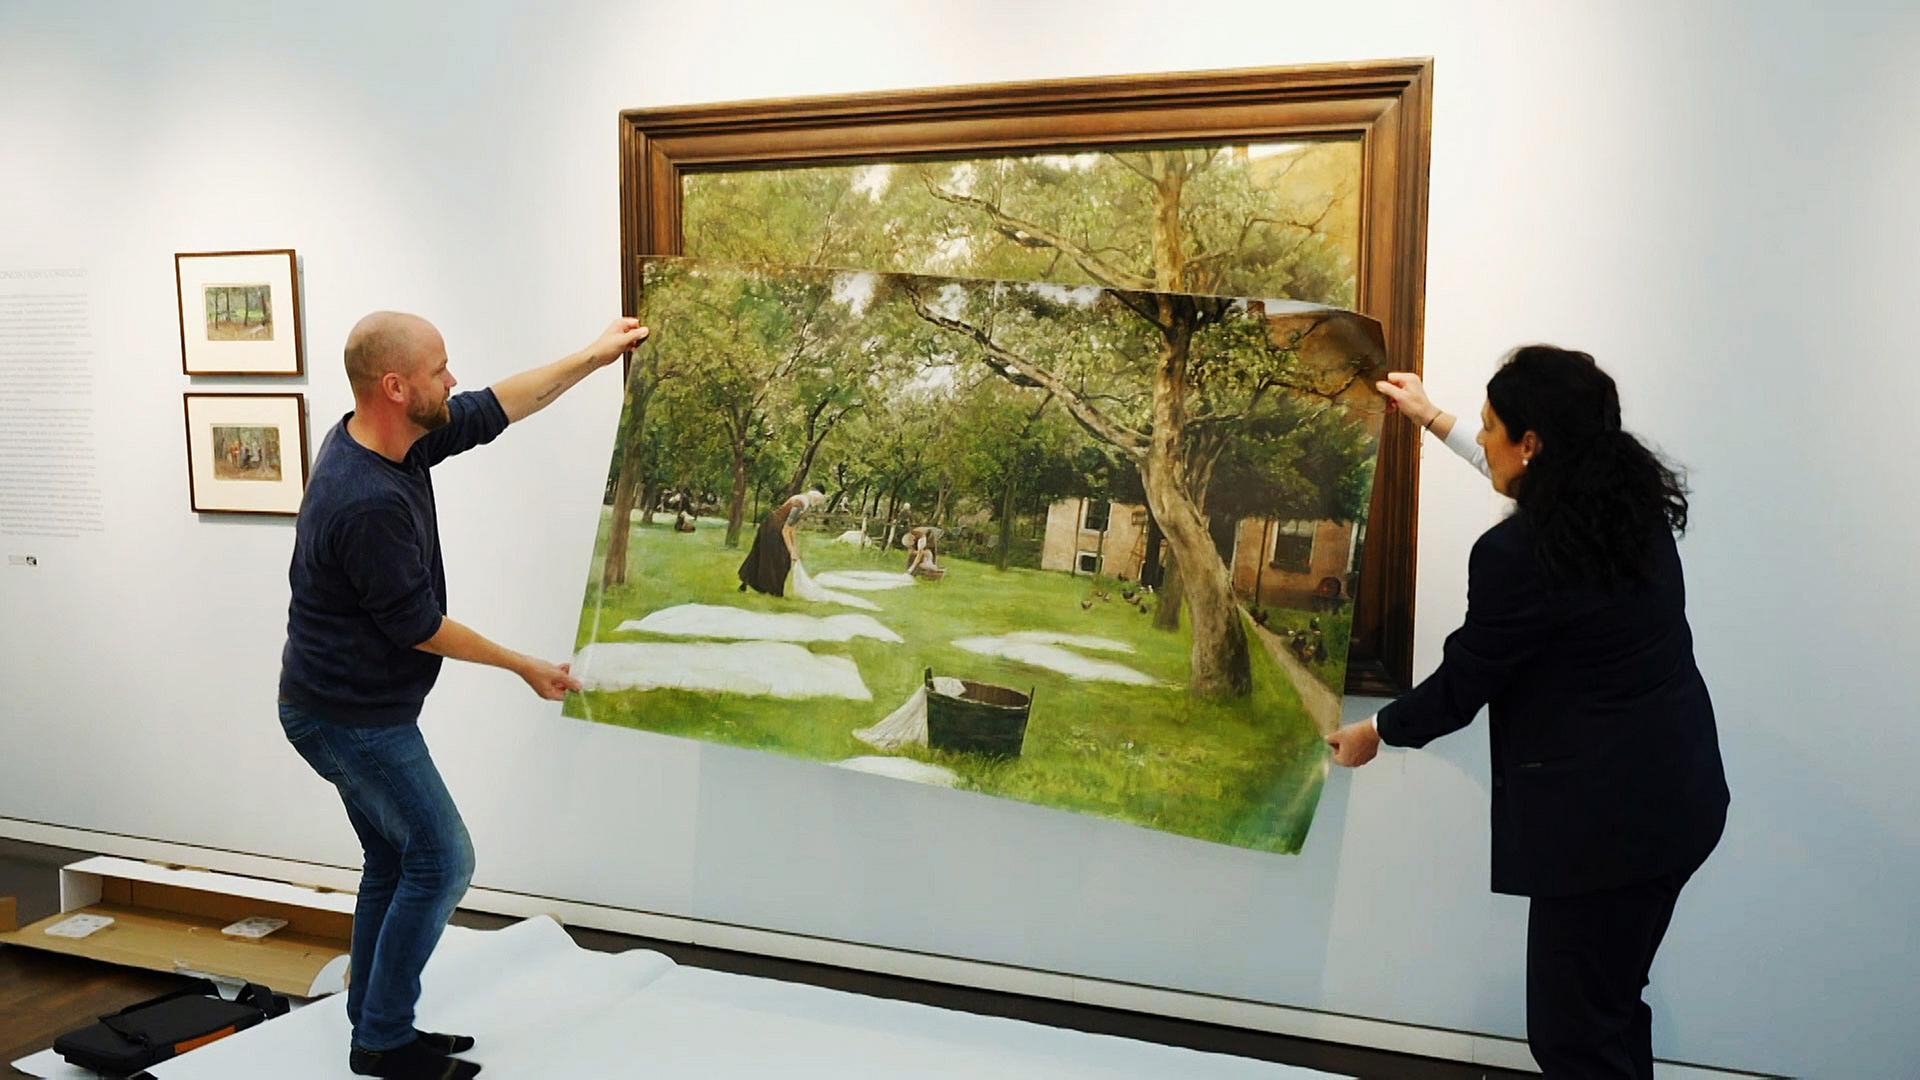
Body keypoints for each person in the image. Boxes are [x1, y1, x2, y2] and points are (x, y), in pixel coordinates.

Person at [1326, 349, 1729, 1079]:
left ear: (1533, 443)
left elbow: (1466, 679)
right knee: (1607, 1009)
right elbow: (1538, 500)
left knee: (1572, 1034)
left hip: (1609, 835)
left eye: (1488, 427)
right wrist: (1434, 421)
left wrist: (1374, 732)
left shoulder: (1520, 554)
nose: (1481, 439)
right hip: (1681, 800)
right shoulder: (1623, 499)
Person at [278, 311, 647, 1080]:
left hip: (336, 703)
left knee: (393, 854)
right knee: (444, 859)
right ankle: (382, 1039)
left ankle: (370, 1019)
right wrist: (523, 665)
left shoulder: (388, 438)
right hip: (346, 718)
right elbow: (417, 625)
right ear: (395, 386)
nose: (454, 379)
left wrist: (592, 355)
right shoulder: (365, 498)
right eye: (440, 368)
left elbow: (501, 404)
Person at [737, 489, 825, 596]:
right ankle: (774, 592)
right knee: (781, 560)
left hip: (771, 527)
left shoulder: (801, 501)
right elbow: (786, 530)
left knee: (762, 556)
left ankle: (753, 586)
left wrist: (794, 548)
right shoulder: (799, 504)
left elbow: (792, 528)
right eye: (817, 502)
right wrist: (791, 551)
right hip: (772, 529)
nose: (816, 505)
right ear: (814, 499)